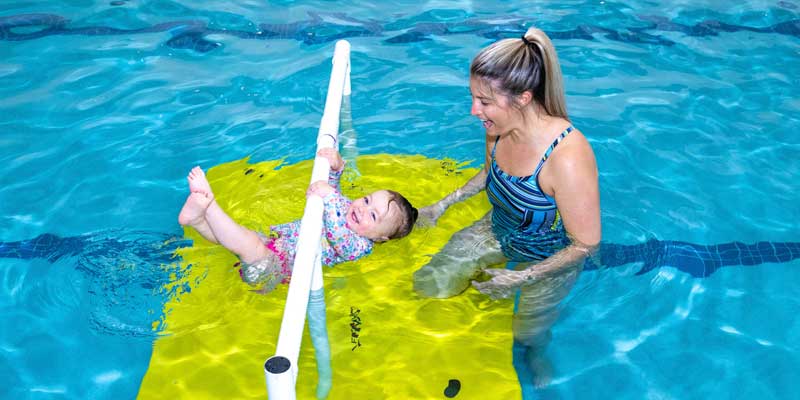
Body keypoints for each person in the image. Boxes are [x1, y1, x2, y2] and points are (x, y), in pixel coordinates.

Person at [413, 27, 600, 387]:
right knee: (429, 284)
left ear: (524, 98)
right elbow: (488, 173)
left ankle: (537, 352)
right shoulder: (497, 127)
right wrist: (440, 206)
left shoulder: (568, 156)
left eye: (484, 101)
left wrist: (522, 277)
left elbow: (585, 245)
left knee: (526, 333)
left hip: (550, 253)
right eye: (473, 98)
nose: (474, 111)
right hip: (499, 227)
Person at [178, 148, 418, 293]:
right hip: (277, 244)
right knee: (238, 235)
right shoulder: (345, 207)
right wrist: (337, 168)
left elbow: (337, 234)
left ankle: (209, 205)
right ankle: (198, 220)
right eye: (366, 200)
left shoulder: (359, 246)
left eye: (373, 215)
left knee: (245, 243)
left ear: (379, 238)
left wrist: (330, 195)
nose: (363, 209)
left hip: (277, 268)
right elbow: (331, 192)